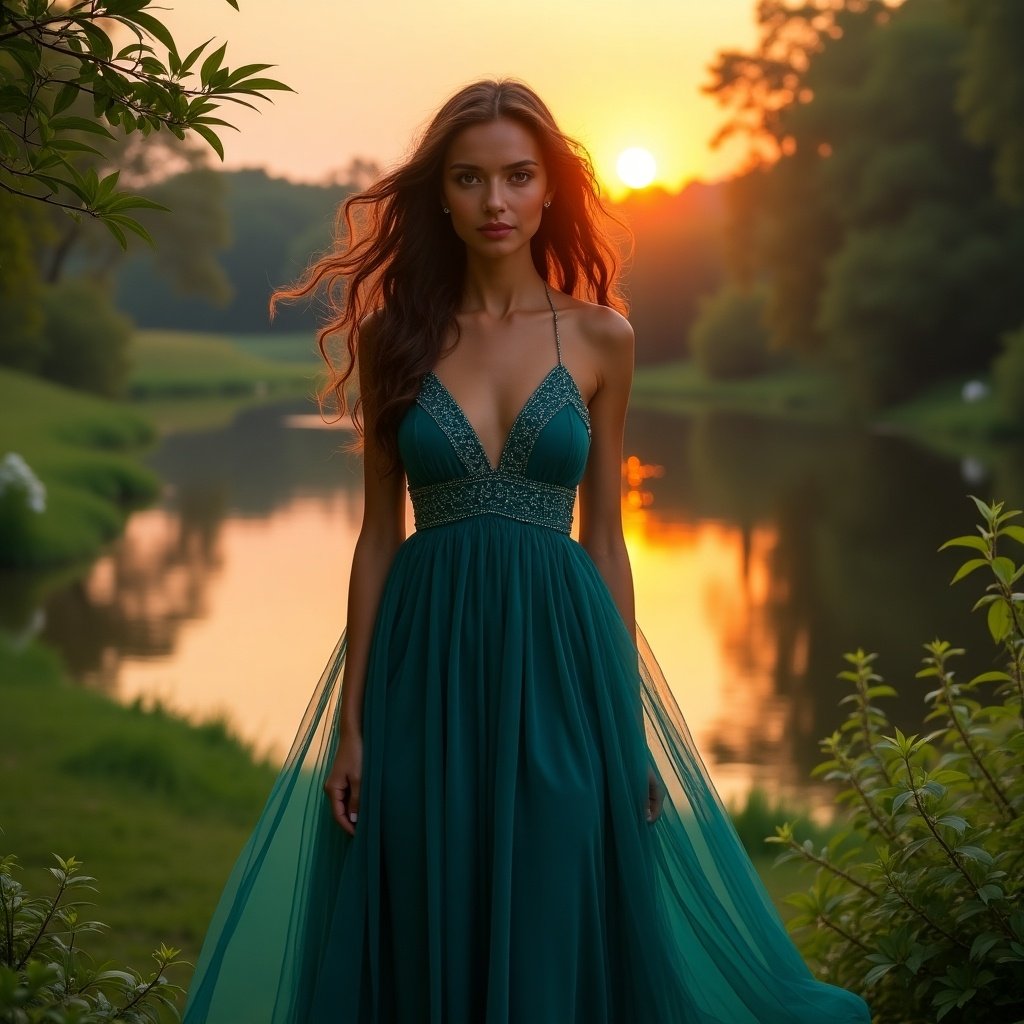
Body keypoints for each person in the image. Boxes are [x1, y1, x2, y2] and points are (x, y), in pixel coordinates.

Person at [182, 80, 871, 1024]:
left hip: (563, 667)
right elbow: (379, 535)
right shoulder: (397, 342)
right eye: (469, 179)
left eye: (516, 177)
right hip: (424, 667)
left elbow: (608, 540)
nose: (494, 201)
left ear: (551, 191)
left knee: (553, 901)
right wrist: (352, 726)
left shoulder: (602, 339)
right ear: (442, 196)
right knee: (431, 905)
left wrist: (624, 723)